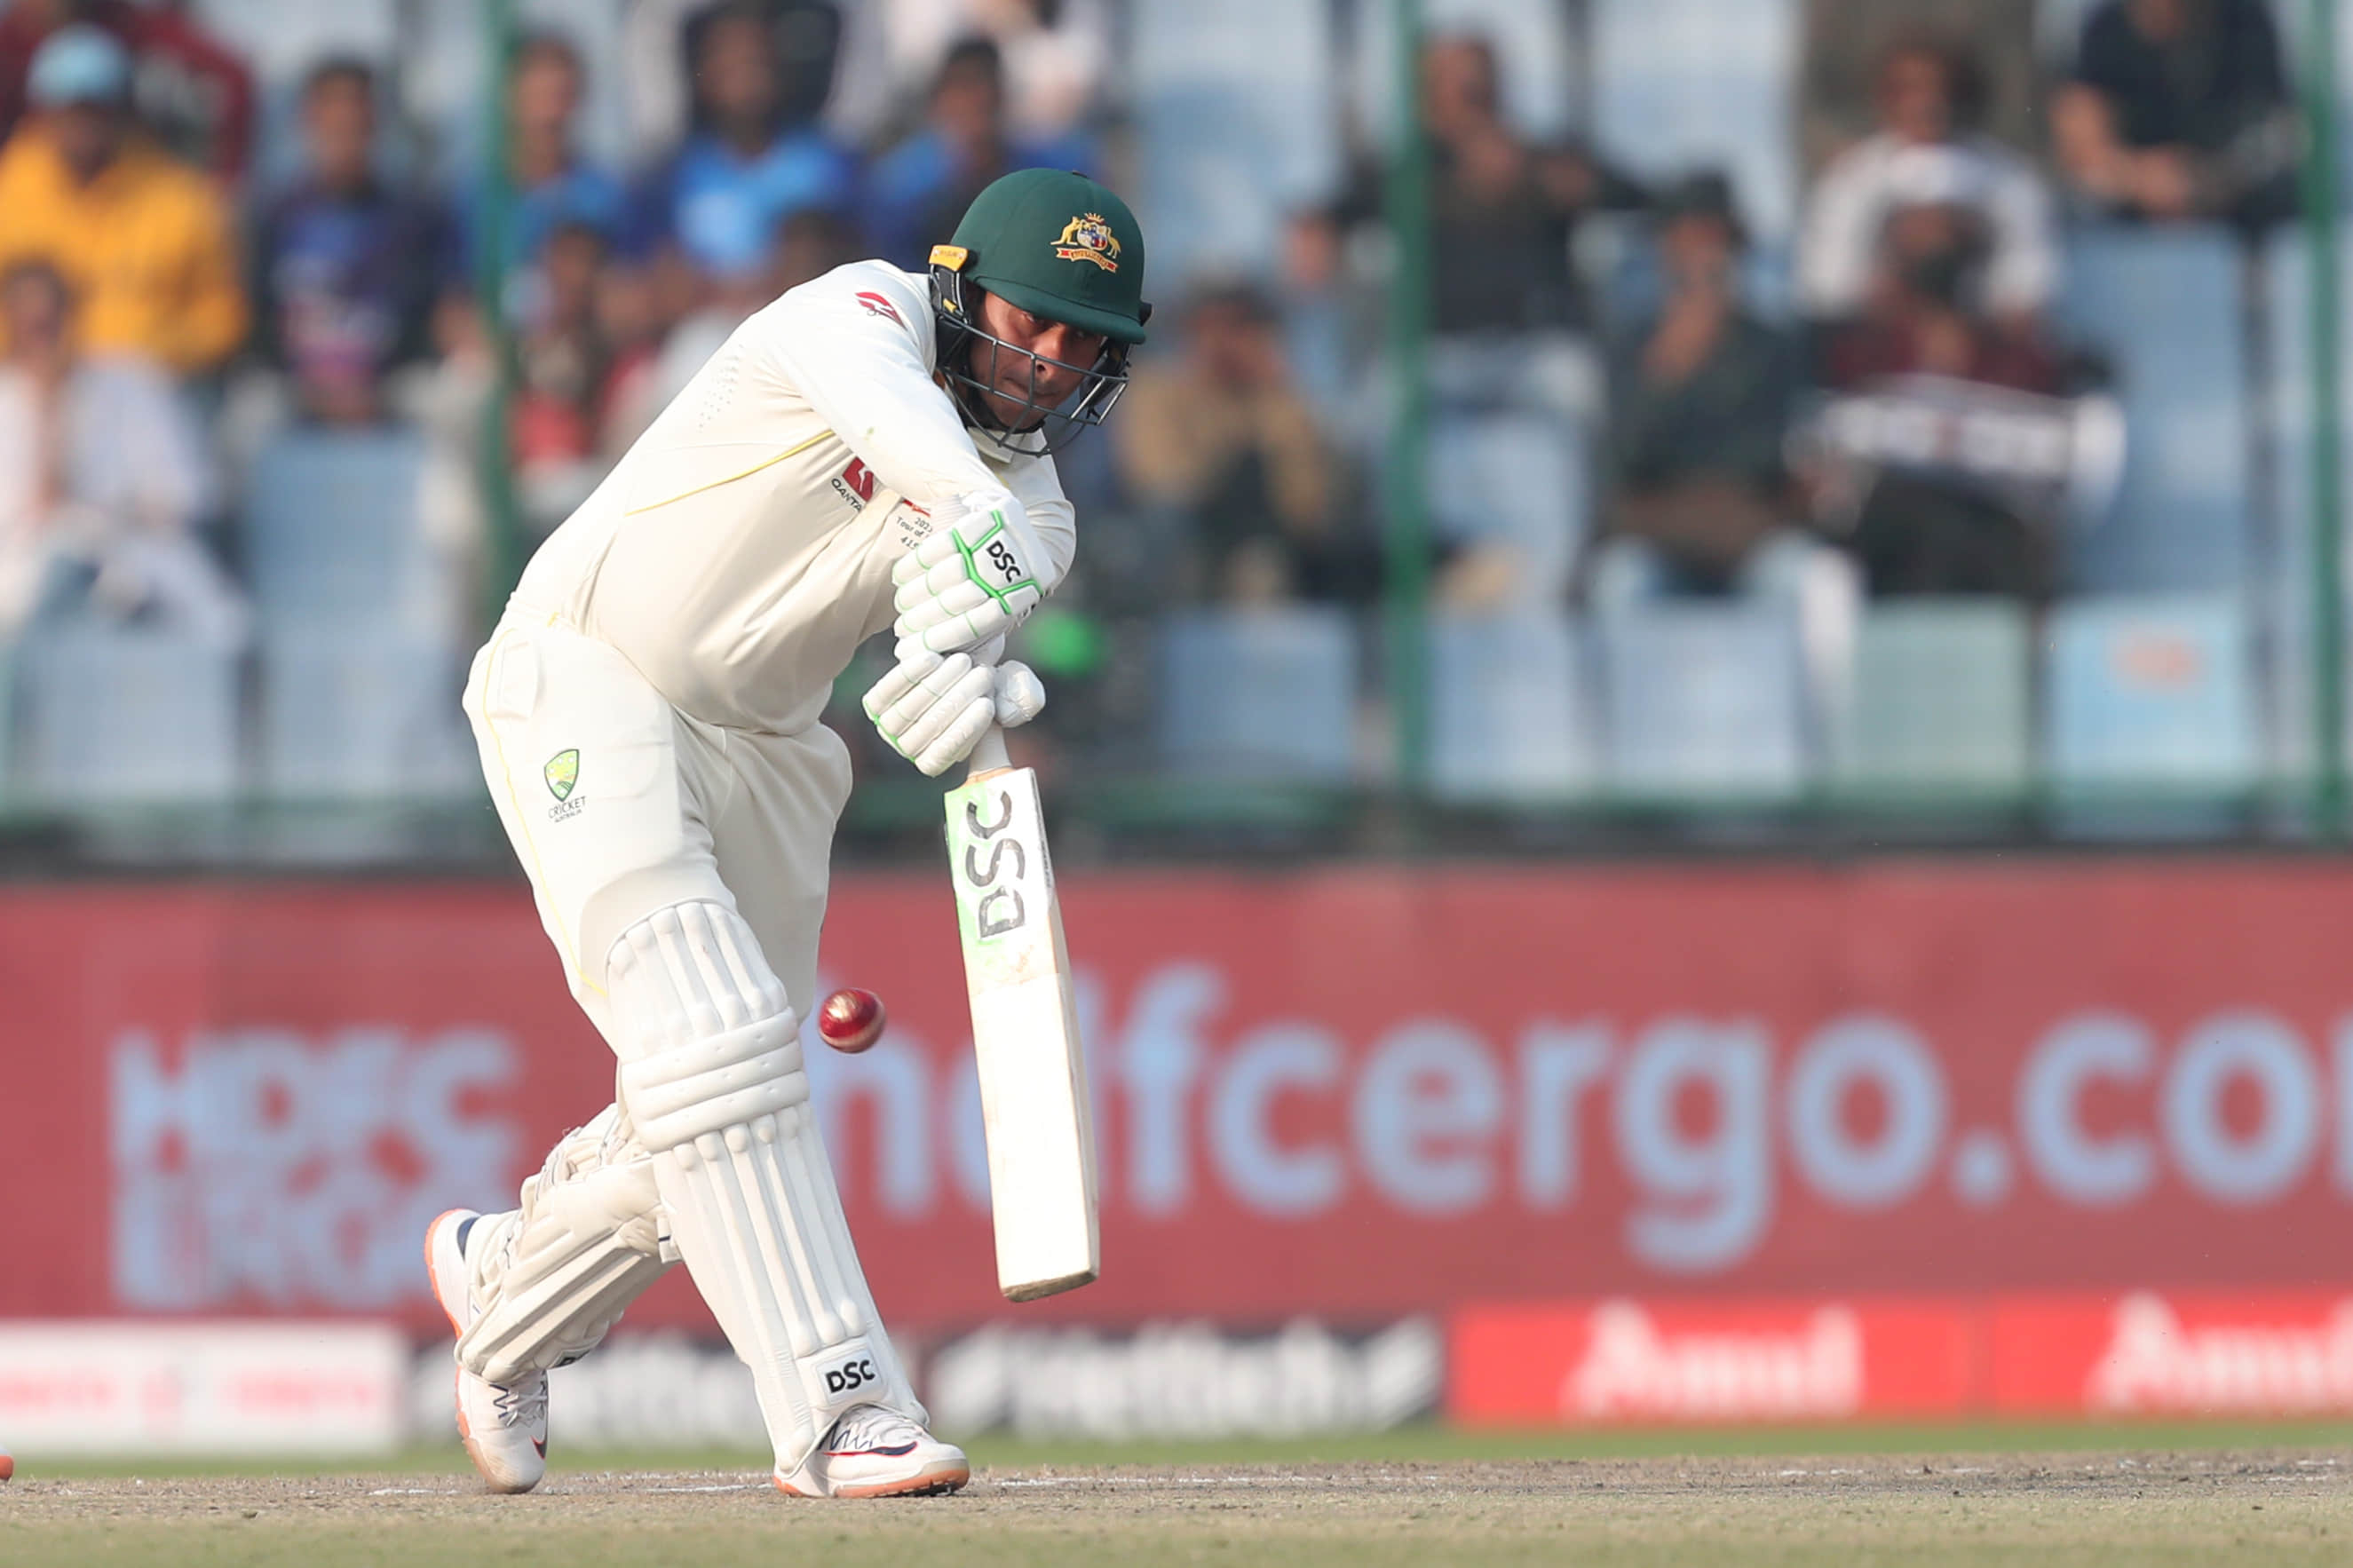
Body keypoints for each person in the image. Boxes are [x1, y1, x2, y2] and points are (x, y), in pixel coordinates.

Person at [424, 167, 1148, 1500]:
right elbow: (912, 443)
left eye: (1080, 342)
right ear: (957, 288)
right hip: (588, 670)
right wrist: (976, 541)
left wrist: (957, 680)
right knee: (718, 1036)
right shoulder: (850, 315)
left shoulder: (1039, 512)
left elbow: (959, 616)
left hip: (768, 751)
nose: (1048, 362)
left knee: (697, 1118)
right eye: (1028, 321)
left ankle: (503, 1291)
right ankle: (842, 1406)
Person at [1590, 172, 1858, 722]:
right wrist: (1670, 367)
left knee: (1811, 579)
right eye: (1686, 244)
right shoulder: (1630, 347)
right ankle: (1629, 740)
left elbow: (1771, 454)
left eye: (1712, 244)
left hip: (1748, 535)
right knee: (1622, 584)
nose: (1701, 260)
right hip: (1660, 534)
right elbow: (1624, 458)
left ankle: (1817, 740)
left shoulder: (1773, 345)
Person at [0, 259, 243, 645]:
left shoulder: (133, 384)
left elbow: (186, 496)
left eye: (50, 323)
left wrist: (106, 517)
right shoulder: (7, 397)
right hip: (24, 576)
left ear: (72, 317)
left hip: (133, 559)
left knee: (221, 623)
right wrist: (47, 422)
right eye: (31, 327)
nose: (43, 340)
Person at [0, 24, 243, 376]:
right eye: (70, 109)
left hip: (150, 385)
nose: (82, 124)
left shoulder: (180, 197)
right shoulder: (8, 190)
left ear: (122, 110)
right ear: (43, 111)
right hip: (25, 382)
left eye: (96, 109)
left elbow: (222, 316)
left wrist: (157, 350)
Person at [1114, 280, 1371, 605]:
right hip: (1187, 547)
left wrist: (1273, 397)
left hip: (1269, 550)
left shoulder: (1278, 401)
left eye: (1238, 327)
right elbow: (1163, 482)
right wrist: (1228, 430)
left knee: (1265, 571)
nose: (1223, 342)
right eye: (1210, 327)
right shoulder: (1158, 391)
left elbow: (1308, 510)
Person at [248, 58, 456, 425]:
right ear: (307, 122)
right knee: (250, 411)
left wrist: (374, 387)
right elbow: (254, 323)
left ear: (375, 124)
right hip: (294, 391)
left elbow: (431, 319)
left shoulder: (415, 219)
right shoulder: (273, 216)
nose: (344, 135)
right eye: (333, 123)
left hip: (390, 390)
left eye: (355, 122)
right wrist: (313, 390)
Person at [1797, 36, 2057, 327]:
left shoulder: (2009, 179)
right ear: (1886, 98)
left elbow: (2030, 279)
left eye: (1940, 88)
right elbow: (1827, 283)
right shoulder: (1850, 179)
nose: (1927, 102)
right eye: (1910, 89)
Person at [632, 1, 856, 289]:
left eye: (755, 60)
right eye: (729, 61)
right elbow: (652, 273)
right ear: (704, 73)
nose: (745, 76)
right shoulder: (670, 178)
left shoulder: (829, 163)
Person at [2053, 0, 2295, 227]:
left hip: (2234, 218)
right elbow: (2080, 147)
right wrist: (2141, 179)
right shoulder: (2104, 31)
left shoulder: (2246, 23)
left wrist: (2202, 181)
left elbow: (2279, 135)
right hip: (2124, 222)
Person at [867, 36, 1090, 271]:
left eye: (986, 88)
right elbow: (890, 264)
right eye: (965, 88)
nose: (977, 100)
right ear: (939, 100)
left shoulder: (1044, 176)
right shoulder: (898, 184)